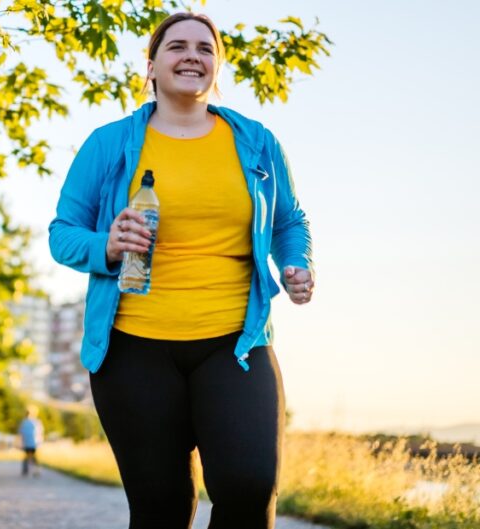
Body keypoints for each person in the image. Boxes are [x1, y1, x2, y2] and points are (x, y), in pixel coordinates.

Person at [48, 12, 314, 529]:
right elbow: (63, 232)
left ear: (217, 67)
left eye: (205, 48)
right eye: (177, 47)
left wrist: (297, 263)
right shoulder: (109, 143)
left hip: (235, 342)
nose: (192, 55)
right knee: (162, 507)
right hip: (133, 346)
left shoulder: (256, 142)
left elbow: (289, 222)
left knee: (249, 487)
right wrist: (107, 244)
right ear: (151, 66)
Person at [18, 405, 44, 477]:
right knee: (30, 456)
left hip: (32, 442)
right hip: (31, 442)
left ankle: (31, 470)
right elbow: (21, 433)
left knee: (30, 456)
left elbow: (39, 433)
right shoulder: (35, 422)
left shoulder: (29, 422)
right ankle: (31, 470)